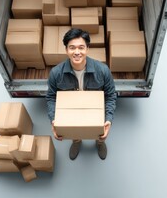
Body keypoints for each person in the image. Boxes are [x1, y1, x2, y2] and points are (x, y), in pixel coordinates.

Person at [46, 28, 117, 160]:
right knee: (74, 129)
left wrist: (108, 120)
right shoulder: (56, 73)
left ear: (87, 49)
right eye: (72, 48)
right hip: (72, 111)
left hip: (95, 110)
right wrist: (53, 120)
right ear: (66, 49)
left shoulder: (102, 70)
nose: (77, 52)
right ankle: (76, 141)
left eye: (81, 47)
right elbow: (50, 97)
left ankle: (100, 142)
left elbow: (111, 96)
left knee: (99, 132)